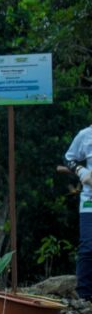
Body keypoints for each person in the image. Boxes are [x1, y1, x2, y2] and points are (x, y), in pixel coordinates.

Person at [64, 124, 92, 301]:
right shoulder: (86, 135)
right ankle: (85, 299)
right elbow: (68, 158)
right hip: (90, 201)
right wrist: (81, 170)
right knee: (88, 247)